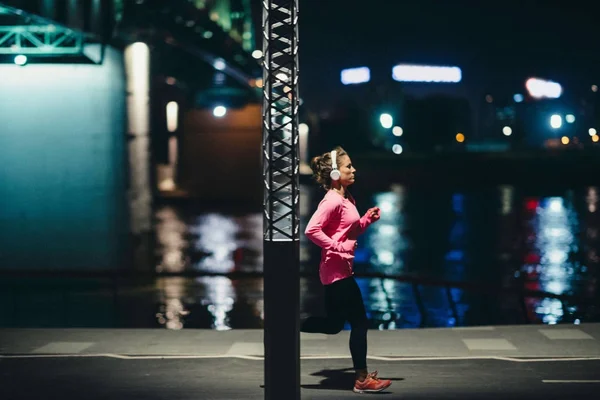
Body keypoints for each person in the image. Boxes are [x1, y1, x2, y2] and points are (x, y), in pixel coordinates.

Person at [301, 146, 392, 394]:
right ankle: (362, 379)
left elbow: (347, 231)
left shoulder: (346, 197)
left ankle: (287, 323)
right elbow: (312, 230)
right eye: (348, 166)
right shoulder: (331, 200)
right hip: (336, 271)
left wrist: (365, 220)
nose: (353, 170)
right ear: (334, 173)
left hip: (340, 269)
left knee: (334, 325)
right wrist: (336, 248)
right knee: (359, 323)